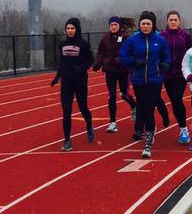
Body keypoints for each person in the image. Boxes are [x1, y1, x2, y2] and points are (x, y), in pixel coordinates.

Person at [119, 11, 171, 158]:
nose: (146, 26)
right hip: (138, 79)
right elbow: (123, 56)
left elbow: (166, 56)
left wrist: (165, 65)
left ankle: (148, 142)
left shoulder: (160, 40)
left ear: (153, 25)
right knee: (141, 107)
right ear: (140, 25)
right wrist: (134, 62)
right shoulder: (132, 40)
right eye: (143, 24)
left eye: (148, 24)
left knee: (149, 109)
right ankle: (149, 130)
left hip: (155, 80)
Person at [50, 17, 94, 151]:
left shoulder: (84, 44)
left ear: (77, 29)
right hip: (66, 81)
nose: (70, 30)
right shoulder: (62, 44)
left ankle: (89, 126)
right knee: (66, 110)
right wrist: (57, 77)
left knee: (83, 107)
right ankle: (67, 140)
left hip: (80, 80)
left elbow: (90, 61)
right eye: (68, 28)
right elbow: (62, 62)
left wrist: (81, 68)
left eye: (72, 28)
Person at [92, 15, 137, 133]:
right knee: (111, 96)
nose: (113, 27)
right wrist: (97, 64)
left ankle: (134, 107)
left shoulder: (126, 37)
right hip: (110, 70)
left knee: (124, 95)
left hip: (123, 70)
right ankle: (112, 122)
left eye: (115, 25)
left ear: (119, 26)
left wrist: (120, 59)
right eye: (111, 25)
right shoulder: (105, 37)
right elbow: (101, 52)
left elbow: (129, 51)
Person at [161, 10, 192, 144]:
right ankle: (182, 126)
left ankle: (183, 129)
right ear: (167, 21)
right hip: (167, 74)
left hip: (180, 73)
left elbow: (191, 52)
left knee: (177, 99)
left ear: (179, 21)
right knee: (174, 101)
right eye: (170, 20)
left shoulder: (185, 36)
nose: (173, 22)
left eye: (175, 20)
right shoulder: (162, 36)